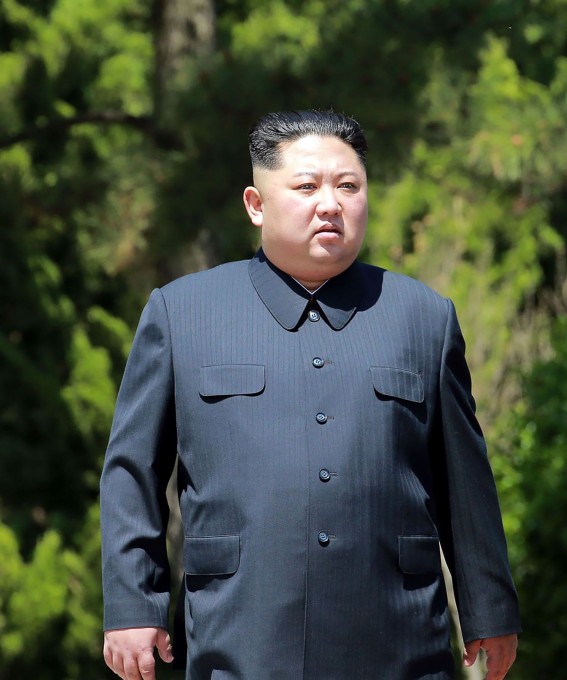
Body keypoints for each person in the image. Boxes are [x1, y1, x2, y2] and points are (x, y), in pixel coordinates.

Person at [100, 109, 520, 680]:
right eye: (306, 187)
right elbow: (133, 470)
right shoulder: (183, 312)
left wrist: (489, 607)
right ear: (256, 204)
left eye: (349, 186)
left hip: (397, 637)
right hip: (240, 631)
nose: (331, 204)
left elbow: (463, 480)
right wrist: (133, 604)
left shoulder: (423, 316)